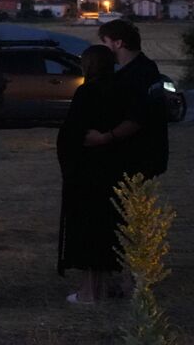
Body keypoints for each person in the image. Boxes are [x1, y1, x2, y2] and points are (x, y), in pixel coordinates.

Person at [57, 45, 140, 304]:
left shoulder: (88, 92)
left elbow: (74, 131)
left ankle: (91, 291)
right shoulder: (124, 90)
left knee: (90, 230)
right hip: (115, 168)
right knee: (109, 228)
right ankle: (106, 286)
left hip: (88, 171)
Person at [93, 19, 167, 179]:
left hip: (137, 157)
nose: (103, 48)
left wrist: (103, 138)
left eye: (105, 42)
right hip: (147, 156)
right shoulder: (146, 67)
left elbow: (138, 118)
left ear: (118, 43)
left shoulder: (136, 74)